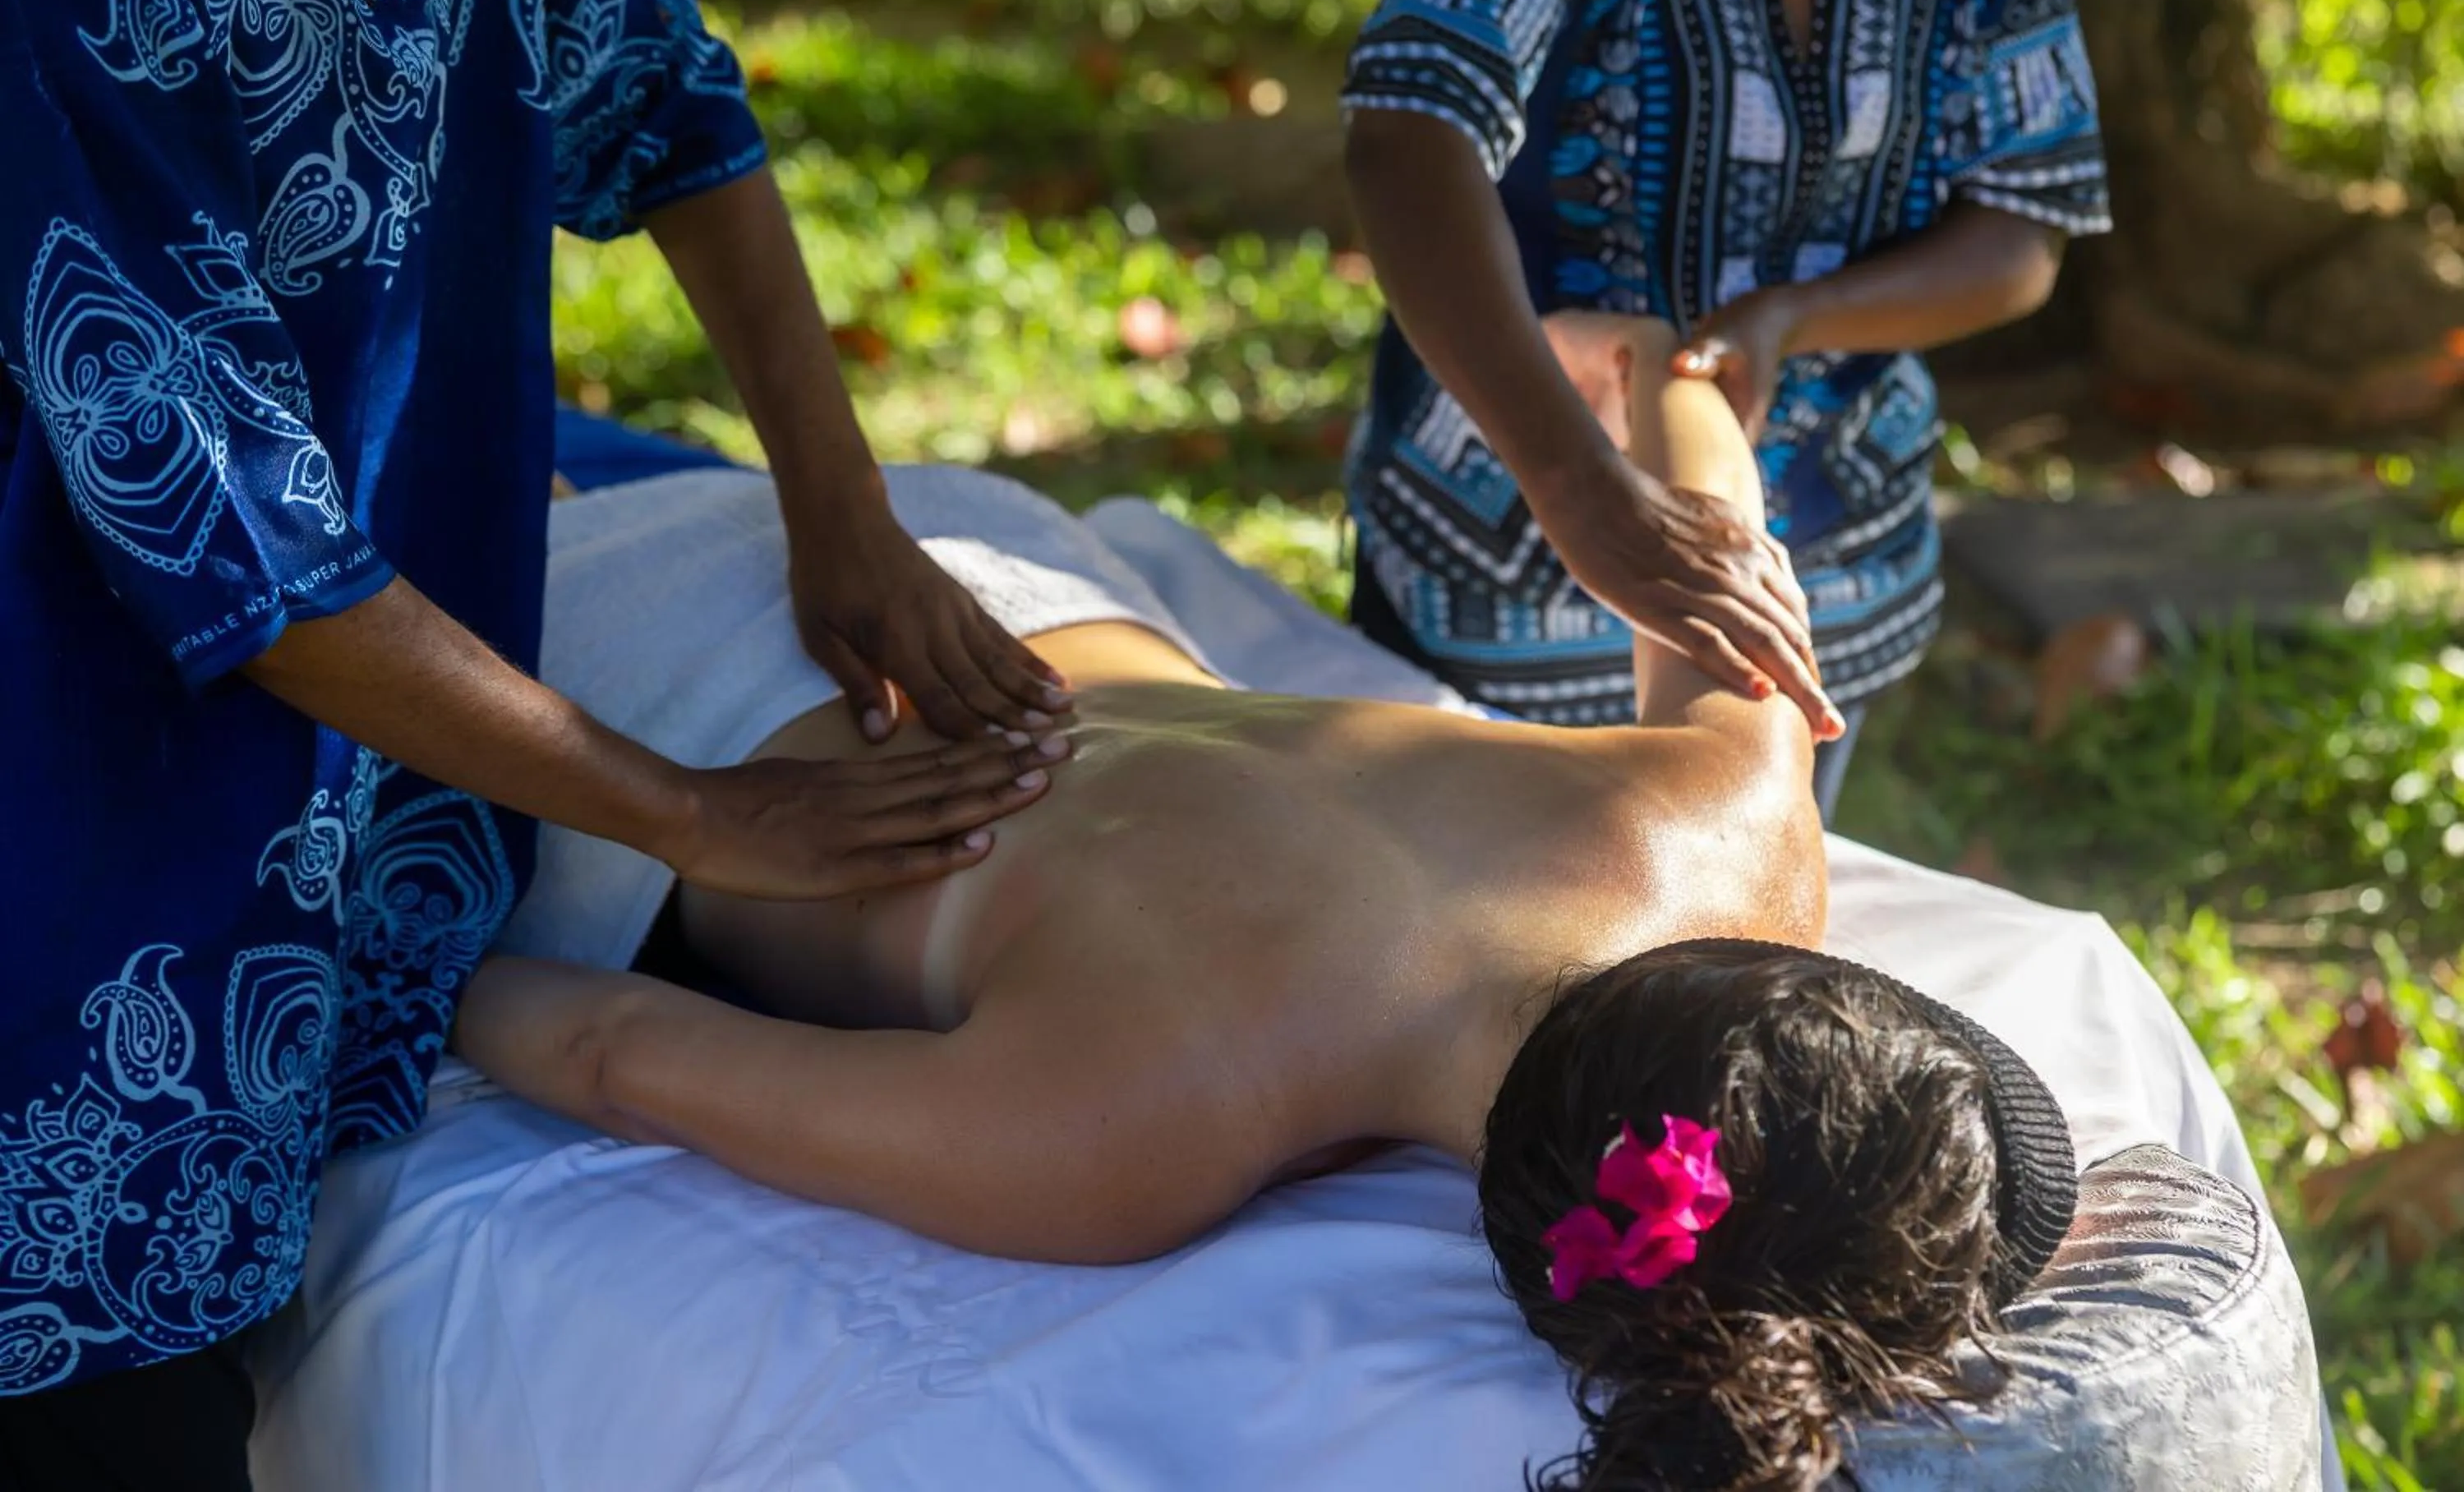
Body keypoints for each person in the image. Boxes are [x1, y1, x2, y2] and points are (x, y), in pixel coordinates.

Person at [454, 320, 2079, 1491]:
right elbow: (601, 1046)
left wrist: (1677, 370)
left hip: (986, 568)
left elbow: (1716, 538)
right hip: (620, 686)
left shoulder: (1722, 830)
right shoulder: (1143, 1126)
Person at [0, 0, 1071, 1484]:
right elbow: (239, 546)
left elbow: (671, 109)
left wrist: (841, 512)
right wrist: (690, 816)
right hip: (63, 844)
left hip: (319, 815)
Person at [1339, 0, 2112, 818]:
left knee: (1735, 910)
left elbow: (2021, 229)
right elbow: (1405, 136)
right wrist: (1579, 487)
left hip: (1823, 568)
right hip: (1499, 550)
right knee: (1472, 921)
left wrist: (1791, 317)